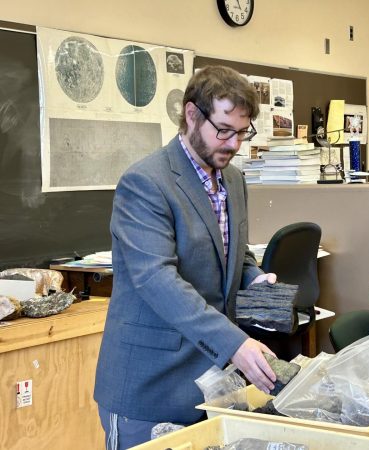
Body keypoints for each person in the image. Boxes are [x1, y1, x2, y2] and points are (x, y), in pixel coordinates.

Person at [94, 65, 277, 449]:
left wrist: (255, 280)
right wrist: (234, 344)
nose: (234, 144)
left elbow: (234, 252)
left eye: (242, 132)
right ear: (192, 114)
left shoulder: (234, 180)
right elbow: (157, 280)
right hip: (150, 388)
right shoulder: (146, 182)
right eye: (223, 130)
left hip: (210, 386)